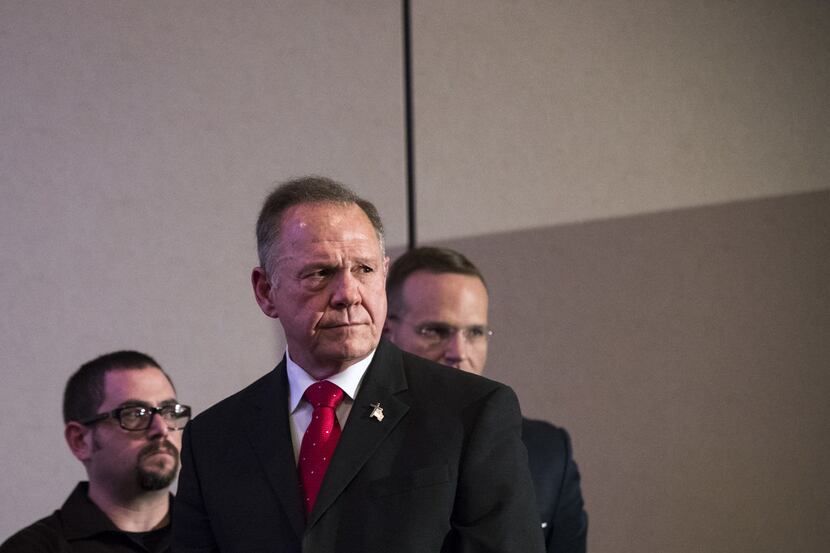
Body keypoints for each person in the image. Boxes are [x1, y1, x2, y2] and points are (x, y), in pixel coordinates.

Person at [173, 176, 544, 553]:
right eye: (320, 272)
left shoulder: (470, 412)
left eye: (364, 270)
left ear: (383, 274)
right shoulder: (213, 440)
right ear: (266, 291)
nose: (348, 294)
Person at [384, 246, 588, 553]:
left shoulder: (548, 453)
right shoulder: (355, 444)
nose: (459, 352)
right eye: (436, 331)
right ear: (387, 333)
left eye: (475, 333)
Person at [0, 351, 191, 553]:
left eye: (170, 412)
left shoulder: (215, 536)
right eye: (135, 414)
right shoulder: (31, 549)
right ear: (80, 441)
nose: (161, 429)